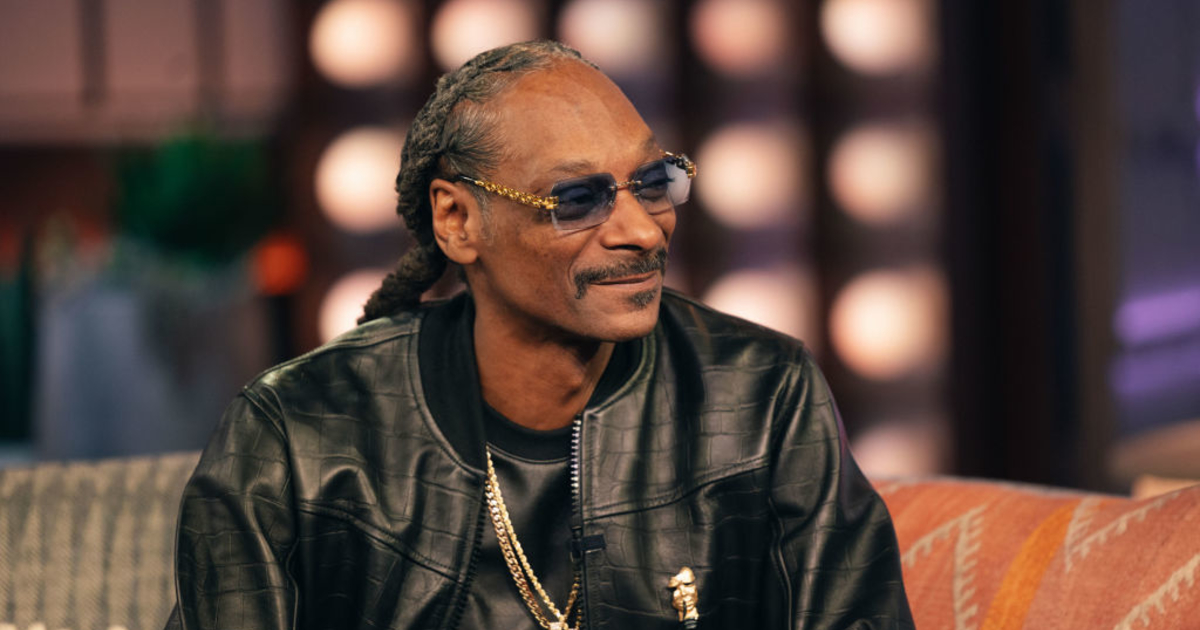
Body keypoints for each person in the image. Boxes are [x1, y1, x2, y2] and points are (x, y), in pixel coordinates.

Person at [168, 41, 913, 630]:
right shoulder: (295, 435)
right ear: (458, 221)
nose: (641, 230)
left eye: (653, 182)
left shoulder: (762, 395)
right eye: (578, 198)